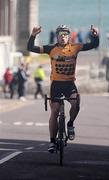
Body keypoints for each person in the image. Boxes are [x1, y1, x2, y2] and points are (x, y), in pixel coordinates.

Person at [27, 24, 99, 152]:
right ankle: (52, 141)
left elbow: (93, 45)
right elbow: (30, 48)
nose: (63, 37)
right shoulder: (51, 49)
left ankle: (70, 124)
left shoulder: (75, 47)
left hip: (70, 84)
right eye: (61, 35)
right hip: (56, 84)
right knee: (54, 111)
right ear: (57, 37)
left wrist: (95, 35)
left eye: (65, 35)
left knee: (75, 104)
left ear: (69, 37)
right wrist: (33, 35)